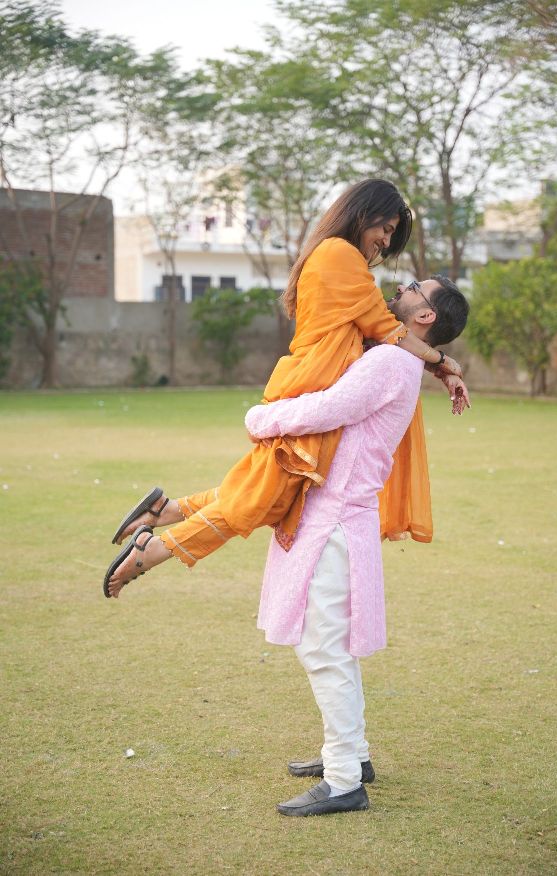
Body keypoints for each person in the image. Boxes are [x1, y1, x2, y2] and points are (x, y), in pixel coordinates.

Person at [103, 179, 465, 597]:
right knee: (261, 498)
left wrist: (437, 367)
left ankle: (164, 511)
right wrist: (445, 363)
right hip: (310, 386)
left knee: (264, 490)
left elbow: (383, 331)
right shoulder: (340, 255)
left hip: (309, 381)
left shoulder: (337, 256)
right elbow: (389, 330)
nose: (385, 241)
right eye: (385, 229)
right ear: (364, 214)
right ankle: (155, 548)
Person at [245, 275, 470, 816]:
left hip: (336, 521)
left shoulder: (390, 362)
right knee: (331, 646)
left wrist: (261, 419)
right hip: (336, 517)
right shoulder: (398, 357)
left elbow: (329, 407)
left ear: (425, 316)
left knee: (324, 649)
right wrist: (443, 365)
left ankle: (345, 779)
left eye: (414, 287)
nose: (400, 287)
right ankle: (353, 756)